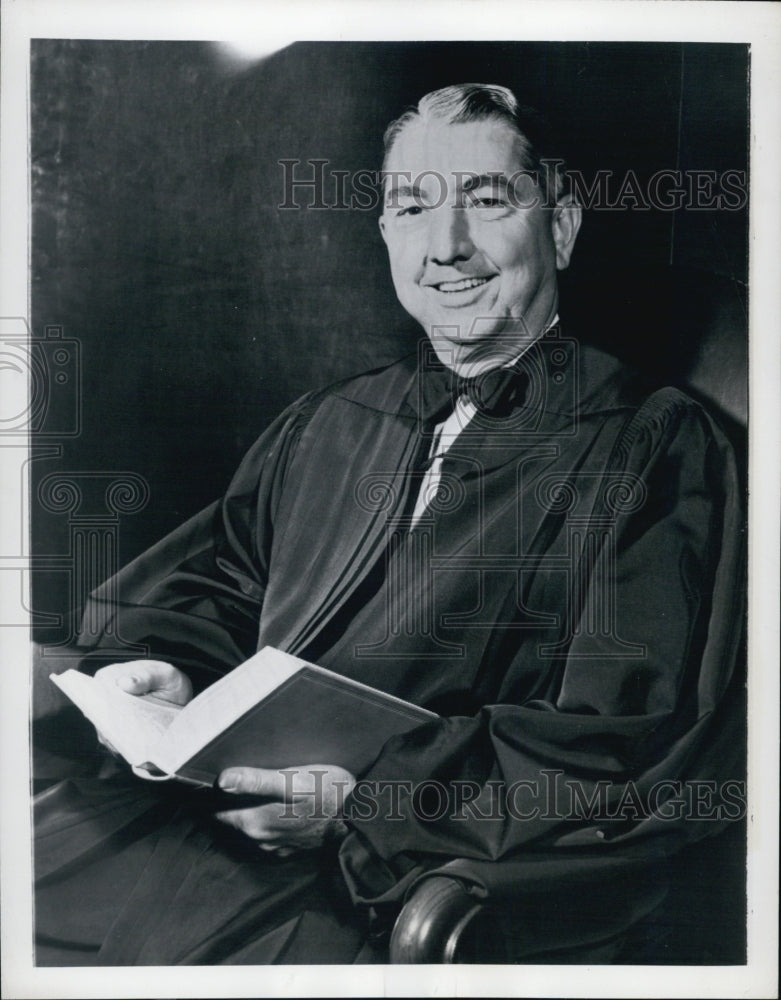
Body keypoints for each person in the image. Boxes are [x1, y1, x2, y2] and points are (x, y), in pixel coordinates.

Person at [33, 84, 745, 965]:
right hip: (201, 819)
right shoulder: (329, 421)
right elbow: (225, 585)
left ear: (559, 227)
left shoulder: (652, 443)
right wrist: (171, 672)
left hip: (388, 875)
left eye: (486, 201)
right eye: (412, 208)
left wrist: (367, 803)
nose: (445, 247)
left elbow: (616, 737)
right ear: (384, 234)